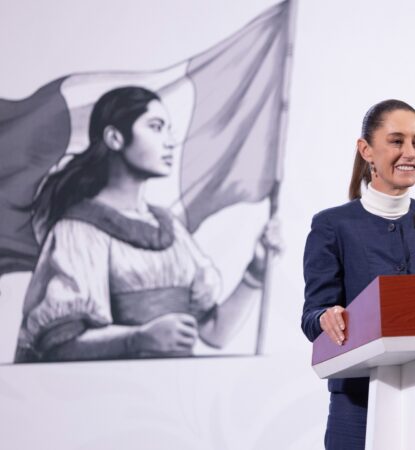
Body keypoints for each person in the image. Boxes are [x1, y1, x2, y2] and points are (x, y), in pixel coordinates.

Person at [15, 86, 275, 362]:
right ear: (115, 138)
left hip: (176, 395)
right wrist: (138, 338)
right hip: (110, 397)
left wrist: (256, 271)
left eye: (168, 129)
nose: (169, 141)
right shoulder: (78, 230)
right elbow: (59, 346)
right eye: (156, 127)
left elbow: (215, 333)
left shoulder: (171, 229)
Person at [301, 99, 415, 449]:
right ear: (366, 149)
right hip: (357, 404)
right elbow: (312, 316)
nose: (410, 152)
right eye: (396, 141)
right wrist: (326, 318)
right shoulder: (332, 226)